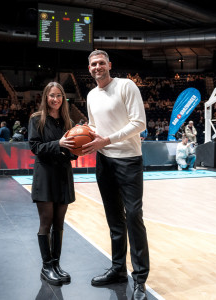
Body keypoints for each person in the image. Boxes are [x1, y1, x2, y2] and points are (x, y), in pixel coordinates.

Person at [82, 50, 149, 300]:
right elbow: (92, 125)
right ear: (89, 68)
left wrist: (107, 140)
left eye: (101, 63)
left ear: (109, 65)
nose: (97, 67)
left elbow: (139, 123)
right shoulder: (90, 95)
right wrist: (79, 132)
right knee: (114, 219)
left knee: (133, 216)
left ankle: (140, 278)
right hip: (104, 160)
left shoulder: (126, 86)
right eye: (93, 64)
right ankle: (118, 269)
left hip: (129, 160)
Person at [28, 82, 76, 286]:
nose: (55, 99)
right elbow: (35, 147)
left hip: (63, 174)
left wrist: (79, 148)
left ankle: (55, 264)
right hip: (45, 174)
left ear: (63, 98)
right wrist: (59, 144)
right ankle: (46, 266)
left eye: (58, 95)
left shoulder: (68, 121)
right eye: (51, 95)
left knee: (59, 222)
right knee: (46, 220)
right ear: (45, 97)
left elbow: (73, 152)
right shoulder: (36, 119)